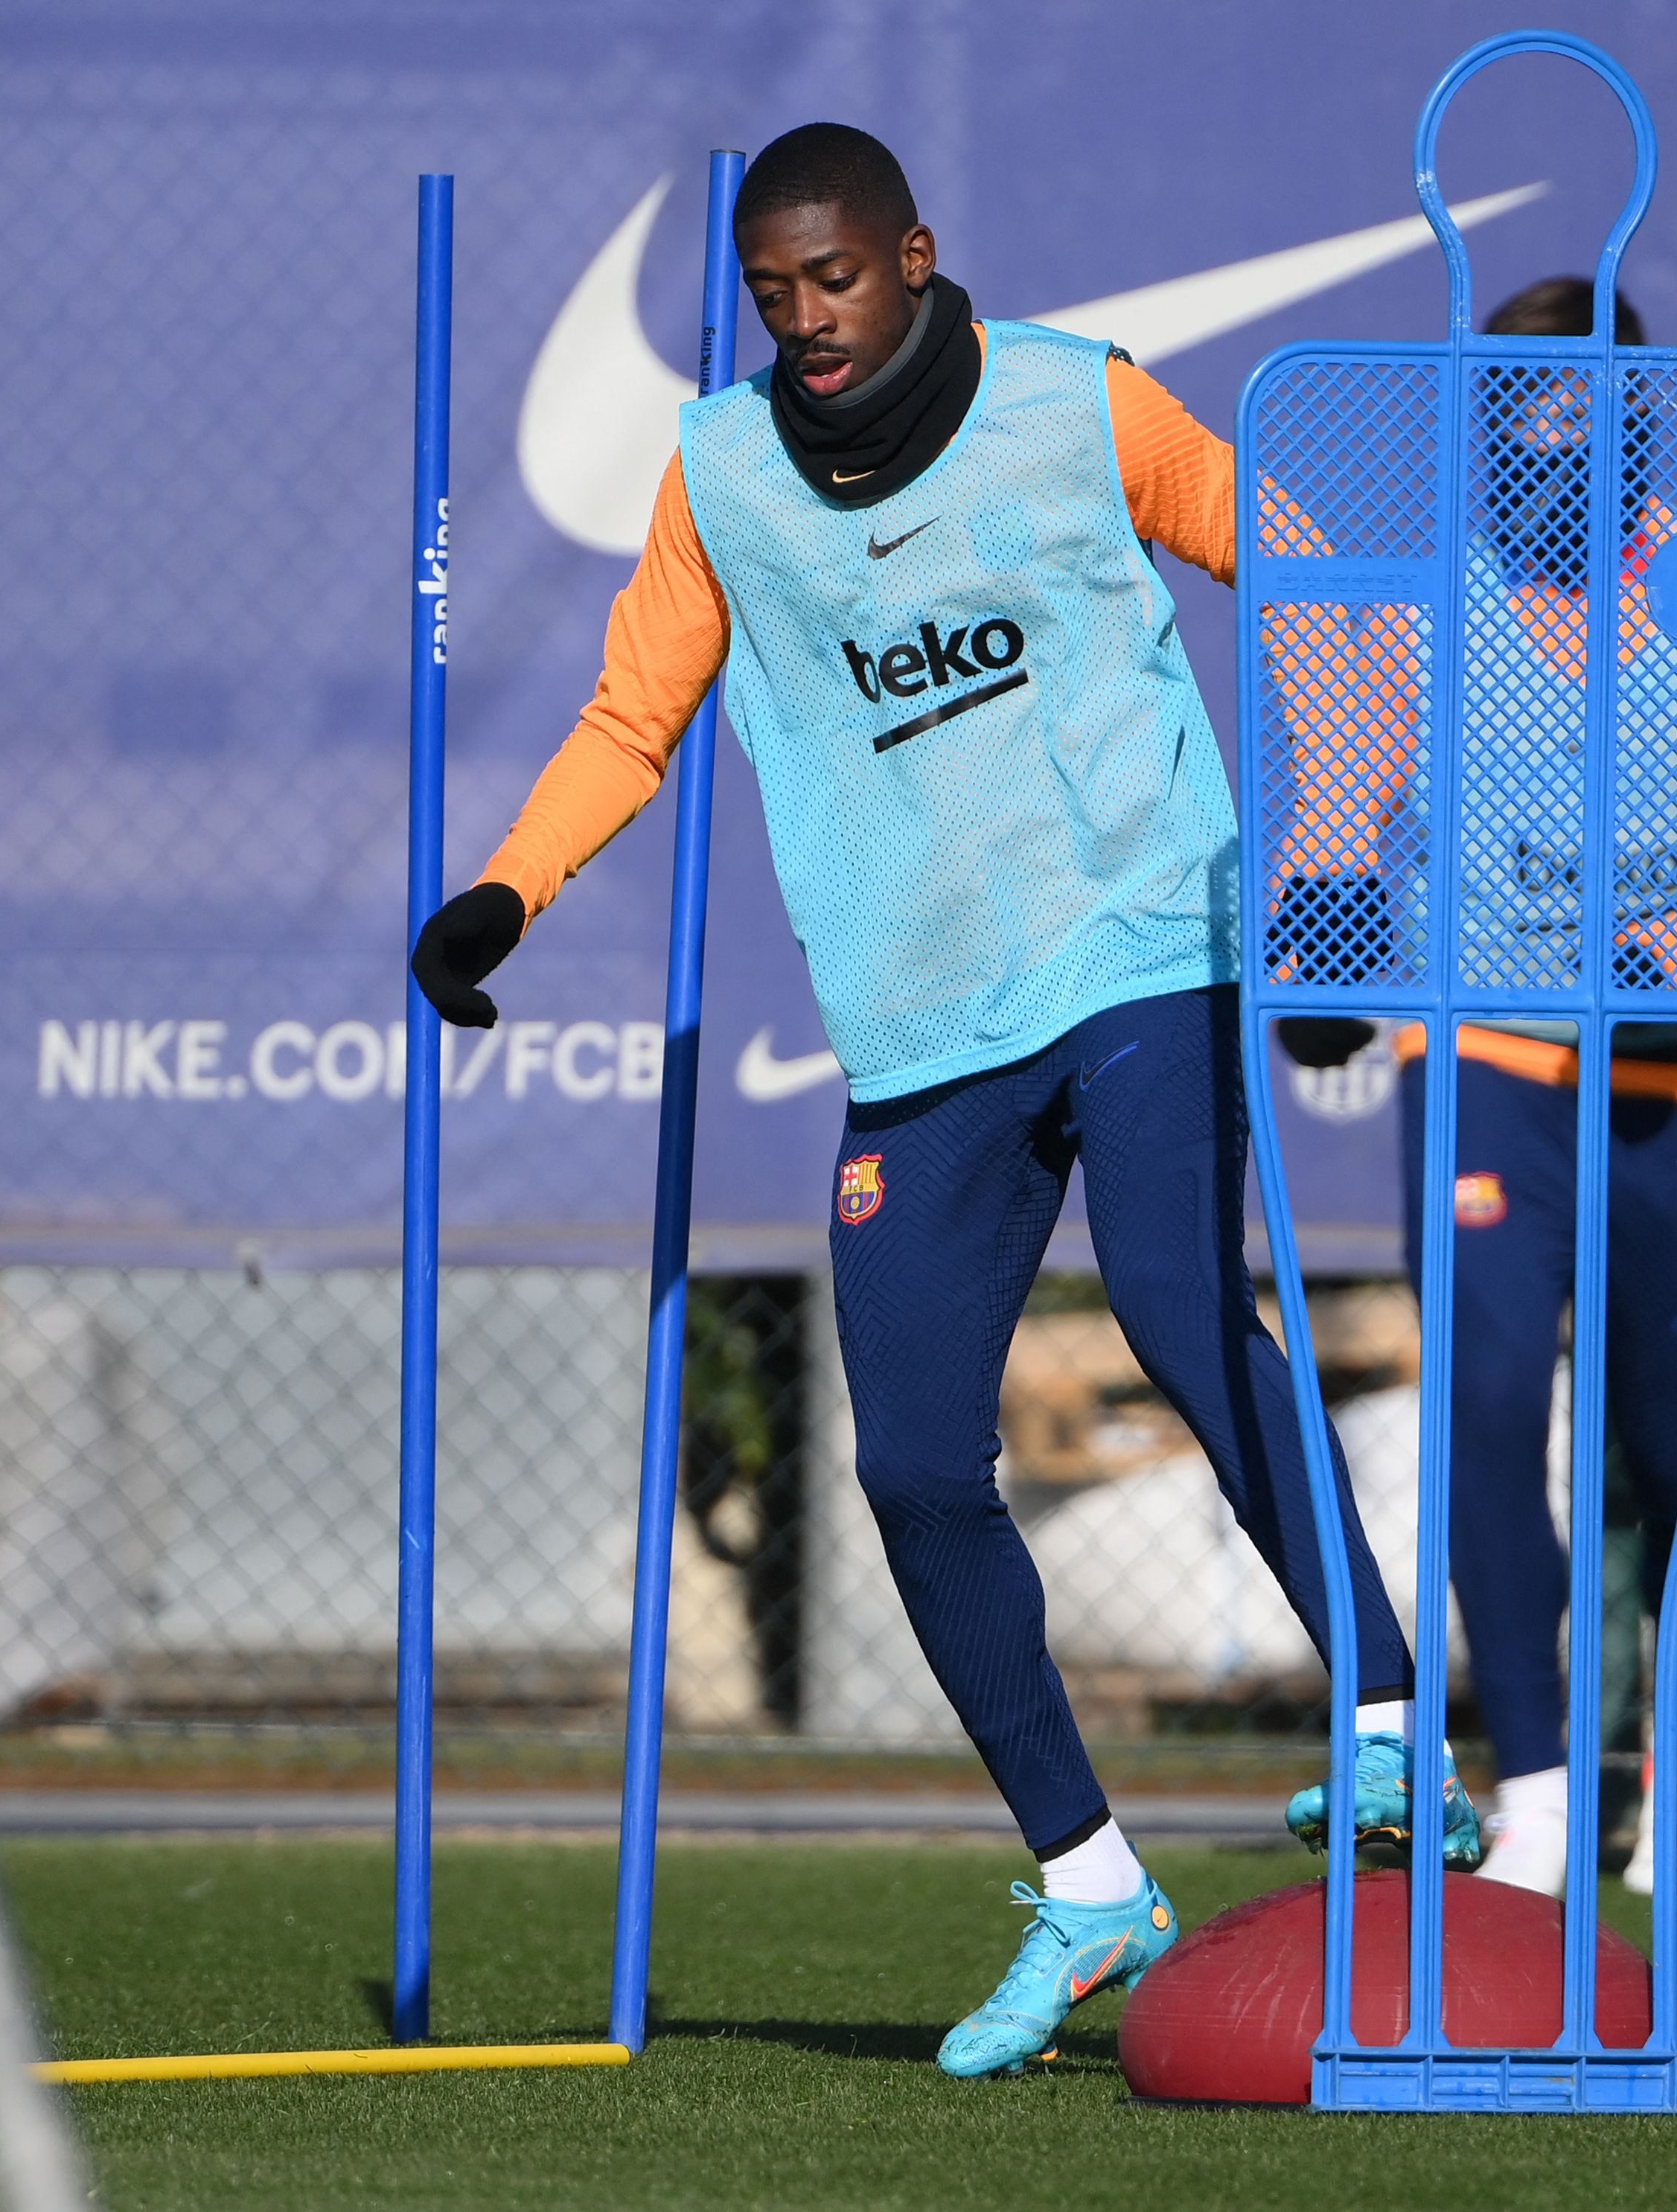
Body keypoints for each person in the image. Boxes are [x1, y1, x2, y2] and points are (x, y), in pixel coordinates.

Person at [411, 123, 1468, 2079]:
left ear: (910, 254)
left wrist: (1332, 833)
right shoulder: (723, 471)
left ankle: (1389, 1721)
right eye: (772, 292)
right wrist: (507, 889)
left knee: (1174, 1306)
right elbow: (633, 713)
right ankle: (1087, 1883)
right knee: (910, 1461)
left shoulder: (1083, 404)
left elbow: (1308, 568)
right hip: (919, 1030)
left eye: (836, 278)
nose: (806, 320)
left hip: (1152, 939)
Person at [1279, 276, 1677, 1900]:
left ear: (1643, 415)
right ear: (1484, 426)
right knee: (1484, 1412)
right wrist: (1325, 909)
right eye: (1523, 414)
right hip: (1484, 1053)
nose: (1554, 445)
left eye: (1586, 411)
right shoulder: (1429, 597)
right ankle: (1542, 1777)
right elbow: (1349, 797)